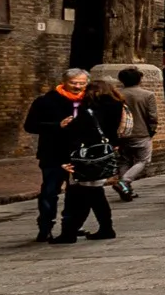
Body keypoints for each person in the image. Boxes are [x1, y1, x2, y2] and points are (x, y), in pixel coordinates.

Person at [52, 75, 128, 241]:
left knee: (87, 194)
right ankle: (78, 230)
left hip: (87, 156)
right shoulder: (117, 105)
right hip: (104, 153)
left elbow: (78, 132)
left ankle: (76, 231)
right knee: (91, 193)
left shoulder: (90, 109)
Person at [24, 69, 93, 242]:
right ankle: (45, 227)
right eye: (74, 83)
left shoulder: (91, 101)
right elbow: (30, 126)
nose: (77, 86)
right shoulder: (46, 101)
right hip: (53, 153)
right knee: (49, 191)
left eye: (81, 83)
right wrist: (57, 125)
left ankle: (72, 225)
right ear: (64, 82)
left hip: (81, 154)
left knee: (77, 192)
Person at [112, 66, 158, 201]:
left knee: (124, 160)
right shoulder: (147, 95)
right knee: (143, 160)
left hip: (121, 133)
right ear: (139, 79)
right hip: (141, 132)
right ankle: (124, 181)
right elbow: (152, 116)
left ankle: (127, 190)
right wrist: (152, 130)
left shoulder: (116, 94)